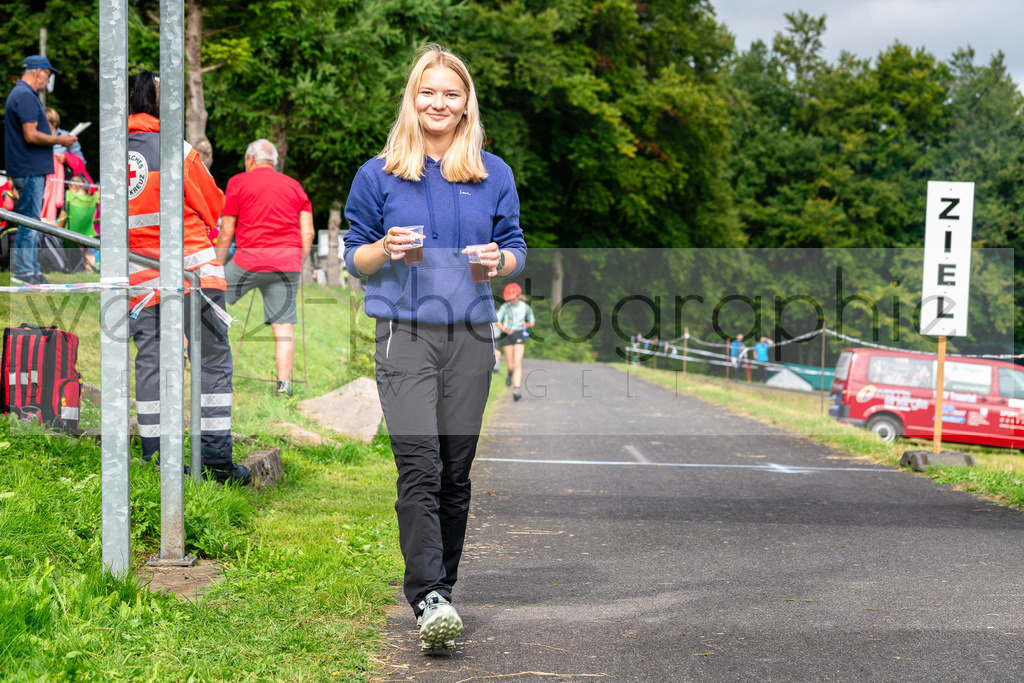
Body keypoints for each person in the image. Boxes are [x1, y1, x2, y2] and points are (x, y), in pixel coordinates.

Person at [343, 44, 527, 653]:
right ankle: (426, 596)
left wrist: (499, 261)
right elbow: (354, 256)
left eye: (451, 93)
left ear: (466, 102)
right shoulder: (379, 174)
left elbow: (515, 249)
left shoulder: (492, 173)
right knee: (419, 466)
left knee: (455, 474)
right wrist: (385, 249)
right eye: (428, 92)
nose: (438, 103)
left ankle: (441, 591)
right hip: (405, 335)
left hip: (472, 336)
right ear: (412, 98)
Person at [125, 71, 250, 485]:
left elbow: (102, 223)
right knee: (212, 363)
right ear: (160, 104)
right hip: (196, 275)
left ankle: (158, 459)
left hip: (141, 284)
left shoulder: (112, 157)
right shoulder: (178, 151)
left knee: (151, 365)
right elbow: (215, 206)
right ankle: (215, 462)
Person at [216, 139, 314, 398]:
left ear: (250, 160)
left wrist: (215, 265)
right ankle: (284, 387)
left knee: (207, 300)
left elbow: (226, 230)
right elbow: (309, 232)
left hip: (248, 261)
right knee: (283, 326)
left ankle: (184, 353)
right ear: (274, 162)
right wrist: (296, 262)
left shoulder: (238, 182)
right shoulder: (295, 187)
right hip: (286, 264)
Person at [4, 55, 77, 285]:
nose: (48, 79)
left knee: (30, 219)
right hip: (29, 169)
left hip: (28, 167)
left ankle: (31, 269)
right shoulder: (25, 95)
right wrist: (60, 140)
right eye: (48, 74)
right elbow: (31, 134)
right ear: (39, 72)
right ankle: (25, 271)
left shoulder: (23, 94)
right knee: (30, 221)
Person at [496, 282, 535, 401]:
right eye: (510, 299)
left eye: (513, 299)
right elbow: (497, 319)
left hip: (519, 333)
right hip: (508, 335)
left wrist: (527, 325)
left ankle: (517, 389)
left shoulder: (525, 307)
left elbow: (532, 321)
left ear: (518, 296)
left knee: (518, 362)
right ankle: (509, 373)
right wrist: (504, 329)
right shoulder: (505, 307)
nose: (511, 301)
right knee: (510, 364)